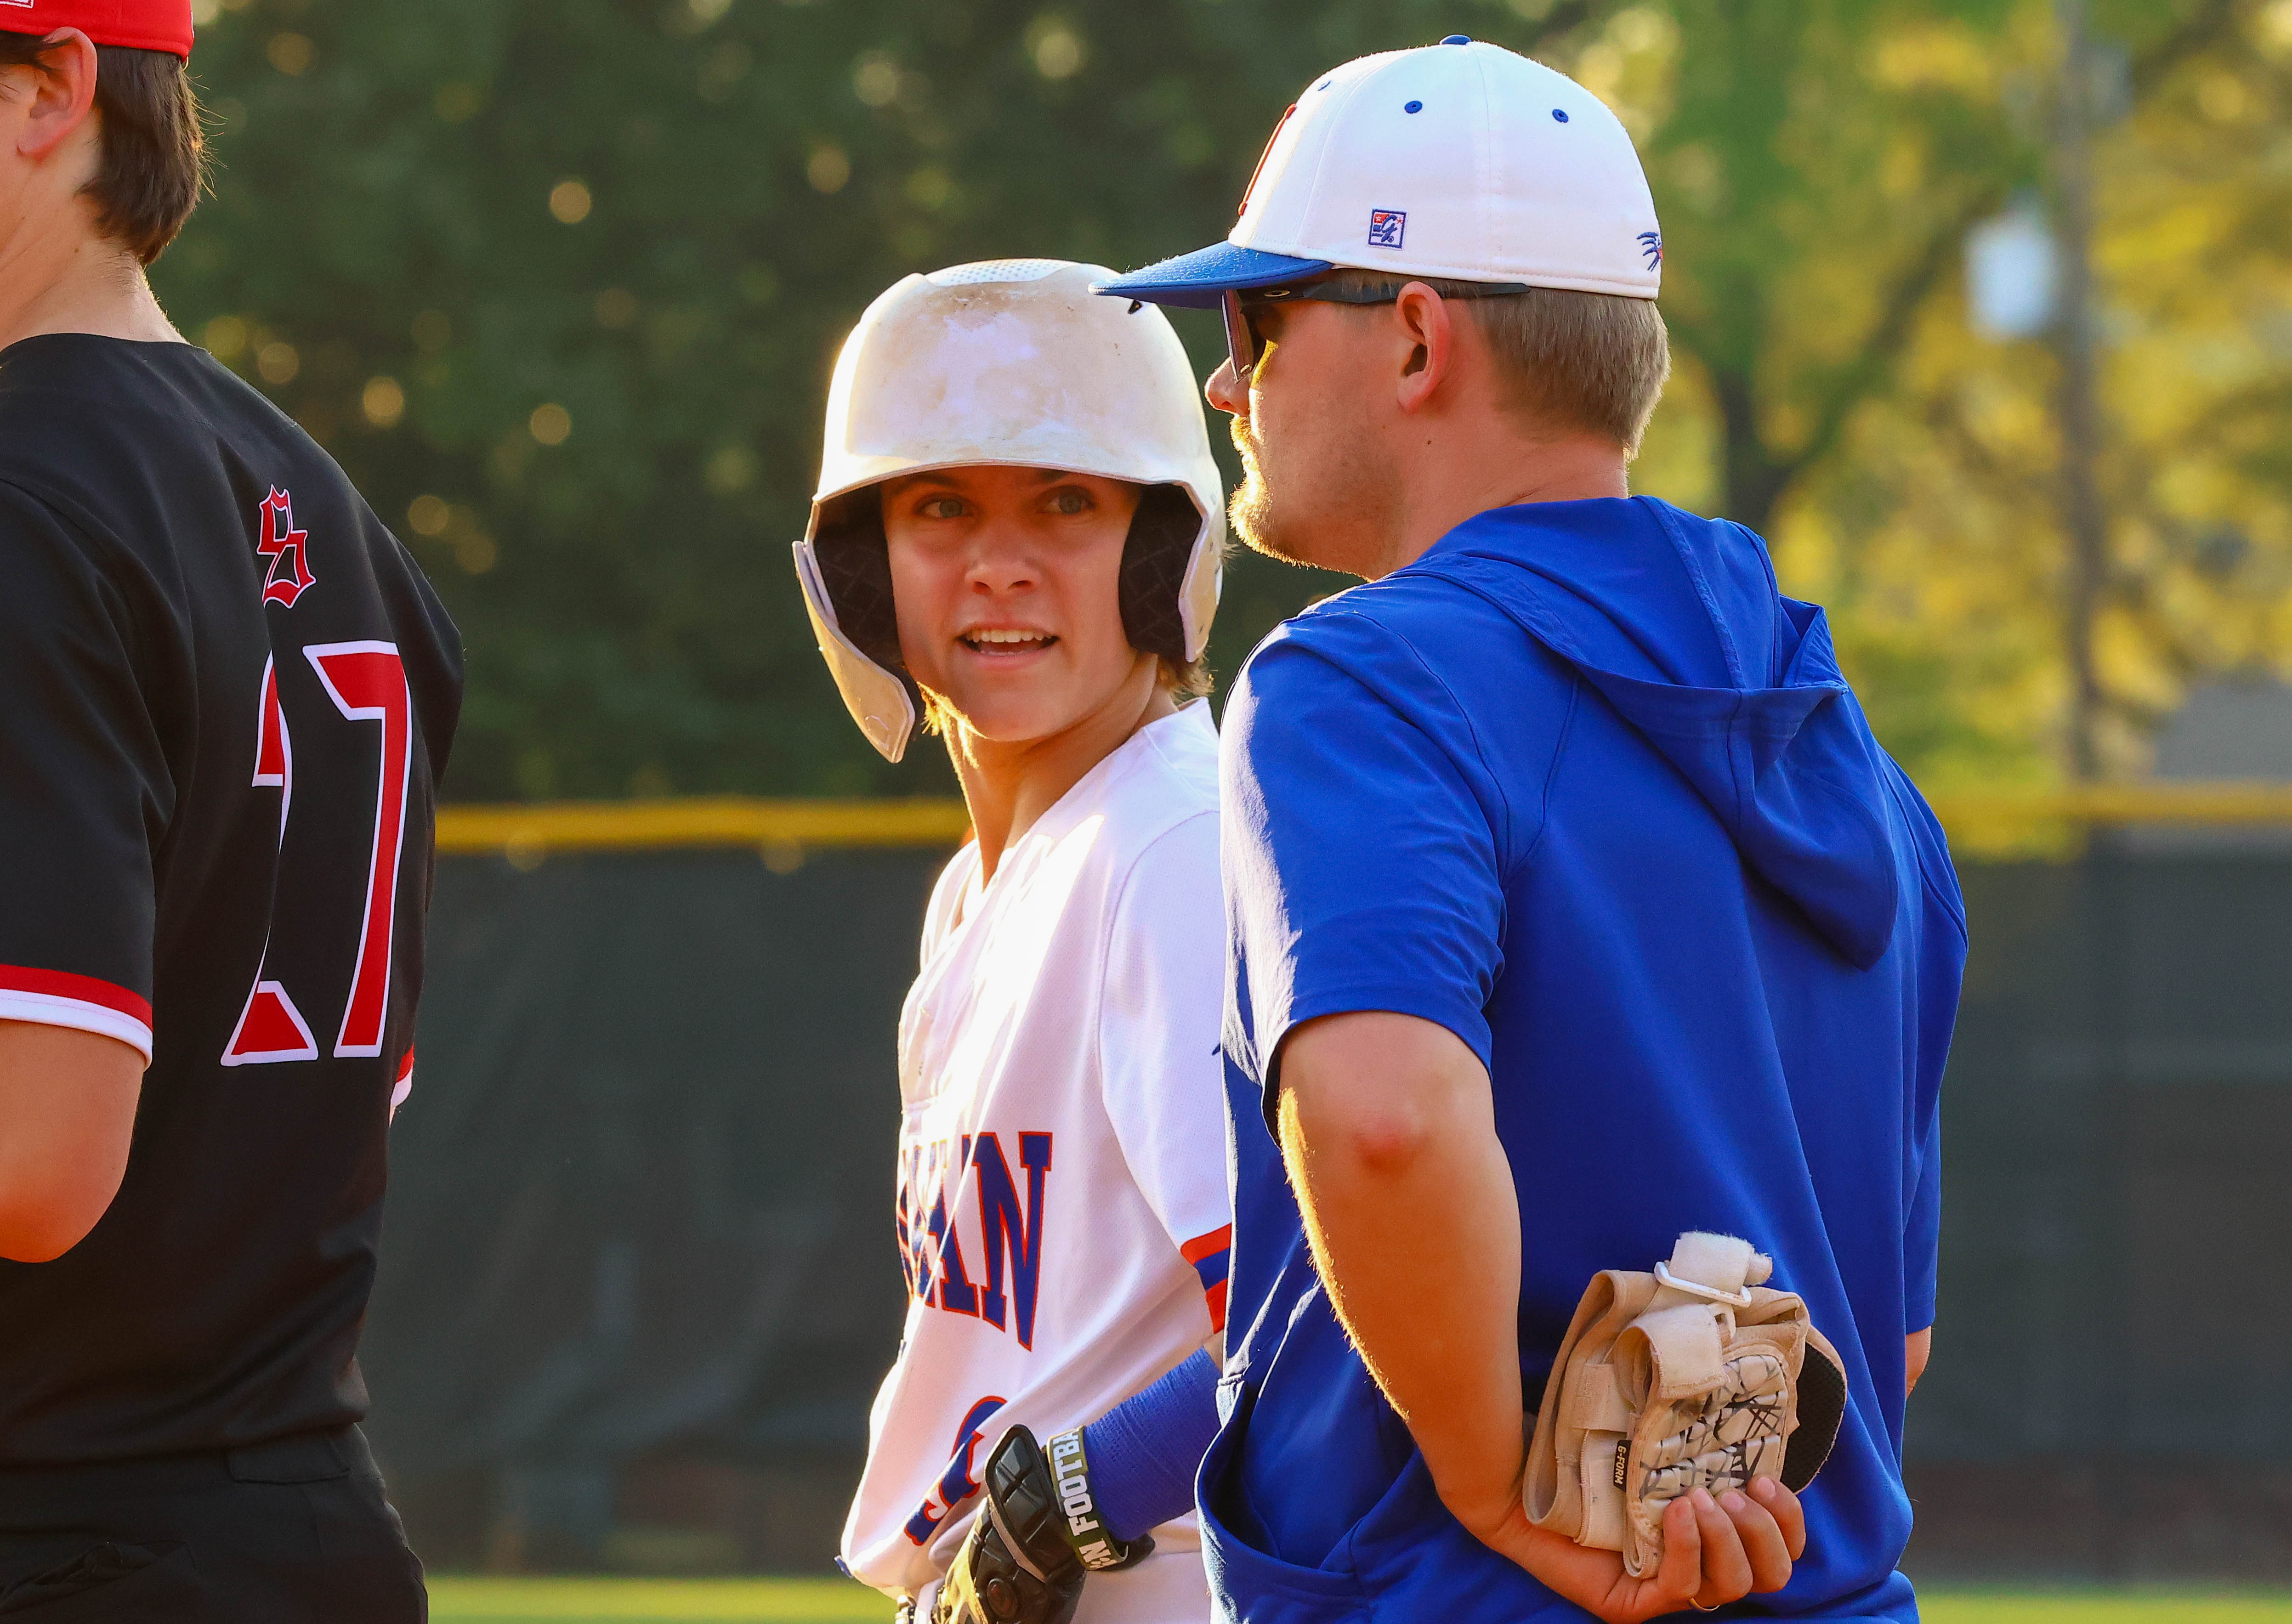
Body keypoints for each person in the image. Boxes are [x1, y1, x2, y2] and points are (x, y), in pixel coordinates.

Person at [1099, 37, 1963, 1624]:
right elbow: (1884, 1339)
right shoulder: (1861, 771)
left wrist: (1499, 1486)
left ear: (1415, 338)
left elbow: (1383, 1118)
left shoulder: (1362, 681)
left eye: (1257, 317)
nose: (1229, 379)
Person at [0, 5, 461, 1619]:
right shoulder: (337, 513)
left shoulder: (22, 498)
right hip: (295, 1509)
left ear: (52, 90)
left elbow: (36, 1156)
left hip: (67, 1534)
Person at [799, 259, 1233, 1623]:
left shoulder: (1172, 846)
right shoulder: (985, 888)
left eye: (1067, 502)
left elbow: (1318, 1328)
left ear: (1162, 549)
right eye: (938, 507)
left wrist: (1070, 1507)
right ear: (863, 568)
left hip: (1153, 1583)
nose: (999, 561)